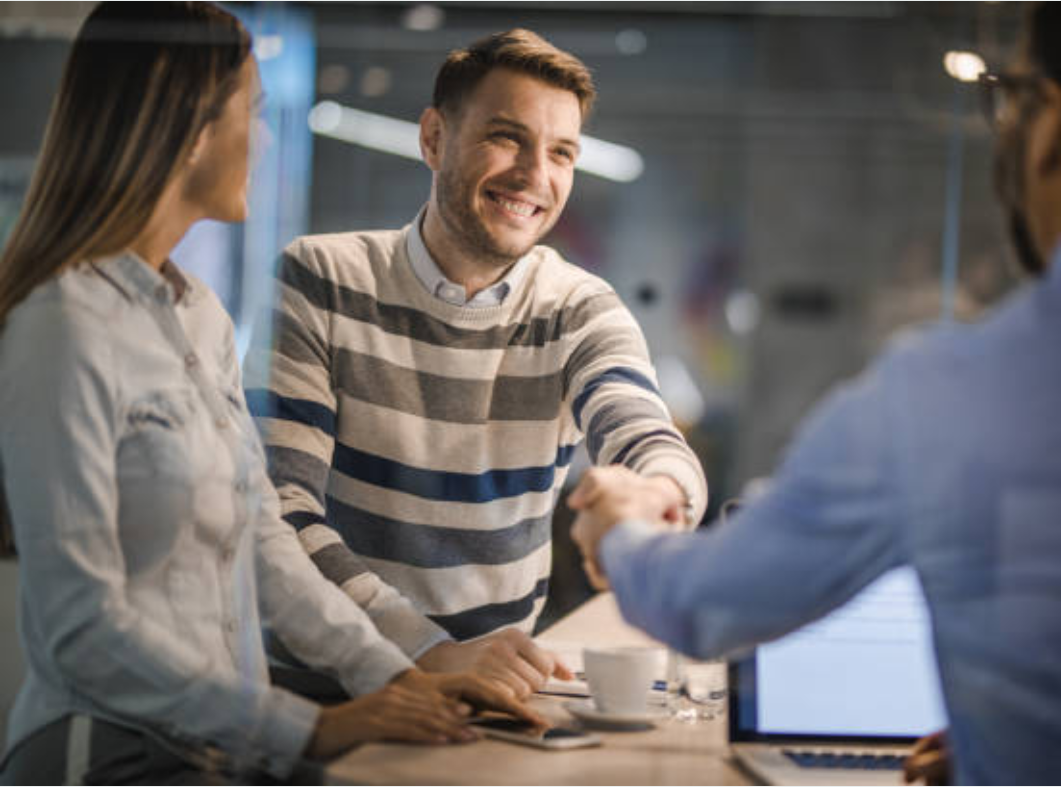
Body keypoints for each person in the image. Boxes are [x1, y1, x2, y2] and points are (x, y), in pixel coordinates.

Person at [0, 4, 540, 783]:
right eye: (250, 112)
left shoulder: (198, 319)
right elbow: (77, 629)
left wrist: (394, 679)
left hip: (221, 744)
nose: (264, 138)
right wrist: (310, 726)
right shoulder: (62, 326)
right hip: (109, 752)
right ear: (187, 126)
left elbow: (262, 541)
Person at [568, 4, 1061, 784]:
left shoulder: (945, 394)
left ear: (1047, 121)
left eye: (1013, 100)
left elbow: (703, 602)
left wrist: (619, 527)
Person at [243, 28, 708, 697]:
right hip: (323, 696)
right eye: (506, 137)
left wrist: (654, 493)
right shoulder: (321, 275)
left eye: (561, 152)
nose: (534, 174)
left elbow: (648, 438)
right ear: (433, 138)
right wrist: (428, 652)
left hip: (489, 695)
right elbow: (279, 515)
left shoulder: (578, 307)